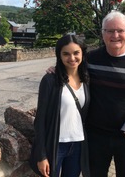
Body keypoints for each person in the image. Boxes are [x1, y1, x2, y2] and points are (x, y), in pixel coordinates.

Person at [47, 10, 125, 177]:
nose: (115, 35)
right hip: (95, 138)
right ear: (103, 34)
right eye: (110, 31)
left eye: (121, 30)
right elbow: (70, 69)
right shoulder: (90, 60)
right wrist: (57, 70)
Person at [30, 34, 91, 177]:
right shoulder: (50, 80)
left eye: (76, 53)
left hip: (78, 144)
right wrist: (41, 155)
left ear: (82, 53)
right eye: (66, 54)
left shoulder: (87, 79)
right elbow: (40, 119)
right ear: (59, 56)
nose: (72, 58)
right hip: (56, 145)